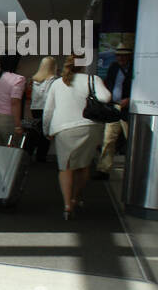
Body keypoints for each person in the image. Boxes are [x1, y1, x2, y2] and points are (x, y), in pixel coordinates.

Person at [43, 54, 109, 220]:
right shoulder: (93, 80)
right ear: (84, 65)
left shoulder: (58, 83)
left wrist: (46, 130)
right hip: (89, 127)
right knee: (83, 166)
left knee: (66, 167)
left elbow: (48, 110)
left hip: (64, 129)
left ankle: (67, 206)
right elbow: (106, 97)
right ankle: (76, 198)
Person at [93, 42, 134, 180]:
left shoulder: (135, 69)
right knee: (108, 139)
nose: (120, 59)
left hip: (128, 109)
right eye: (118, 56)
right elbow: (109, 83)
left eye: (124, 56)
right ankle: (104, 169)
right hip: (114, 107)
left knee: (132, 139)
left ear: (129, 56)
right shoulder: (113, 67)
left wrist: (130, 99)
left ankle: (133, 170)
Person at [28, 56, 59, 163]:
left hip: (35, 108)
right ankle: (41, 156)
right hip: (47, 108)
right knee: (45, 133)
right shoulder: (54, 80)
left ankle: (28, 153)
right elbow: (49, 98)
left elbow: (33, 96)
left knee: (35, 131)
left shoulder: (35, 79)